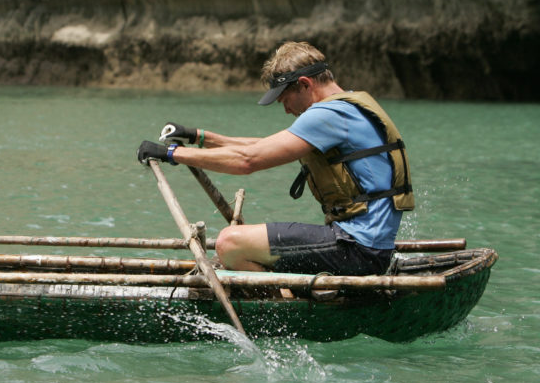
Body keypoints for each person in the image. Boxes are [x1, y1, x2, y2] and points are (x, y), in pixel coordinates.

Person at [136, 41, 413, 276]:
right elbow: (262, 146)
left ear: (304, 84)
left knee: (230, 243)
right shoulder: (348, 106)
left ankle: (282, 309)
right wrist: (198, 137)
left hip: (358, 250)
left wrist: (172, 154)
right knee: (243, 242)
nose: (286, 110)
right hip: (370, 248)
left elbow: (249, 160)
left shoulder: (327, 115)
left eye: (285, 100)